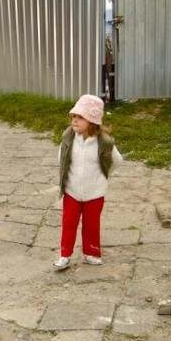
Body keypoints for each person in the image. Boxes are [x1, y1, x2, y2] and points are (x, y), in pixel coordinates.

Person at [53, 94, 123, 271]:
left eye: (80, 117)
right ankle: (65, 255)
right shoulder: (69, 138)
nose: (74, 120)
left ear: (92, 121)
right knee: (69, 222)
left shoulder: (104, 143)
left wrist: (102, 176)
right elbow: (61, 158)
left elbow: (117, 161)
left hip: (95, 193)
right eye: (74, 116)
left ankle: (91, 253)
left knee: (92, 224)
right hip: (72, 191)